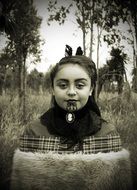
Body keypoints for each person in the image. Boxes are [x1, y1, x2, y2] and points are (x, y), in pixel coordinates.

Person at [10, 45, 133, 190]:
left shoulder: (107, 132)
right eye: (63, 85)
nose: (71, 92)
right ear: (53, 89)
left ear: (91, 89)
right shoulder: (34, 131)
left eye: (80, 85)